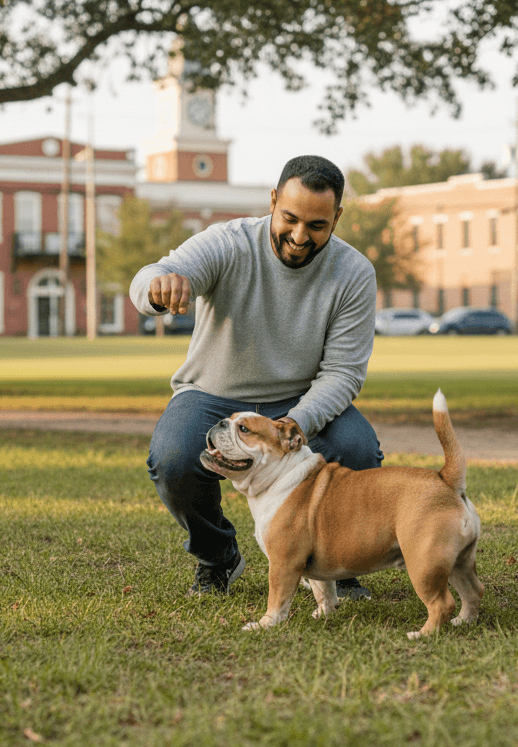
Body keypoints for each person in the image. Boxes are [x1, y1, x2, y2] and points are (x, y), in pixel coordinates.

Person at [129, 155, 383, 597]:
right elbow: (154, 274)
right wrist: (159, 286)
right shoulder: (229, 243)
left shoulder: (354, 273)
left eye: (318, 225)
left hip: (299, 400)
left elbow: (343, 372)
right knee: (172, 460)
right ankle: (218, 556)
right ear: (272, 201)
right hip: (214, 393)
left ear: (337, 217)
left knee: (358, 451)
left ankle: (336, 565)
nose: (300, 236)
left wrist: (297, 423)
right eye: (290, 218)